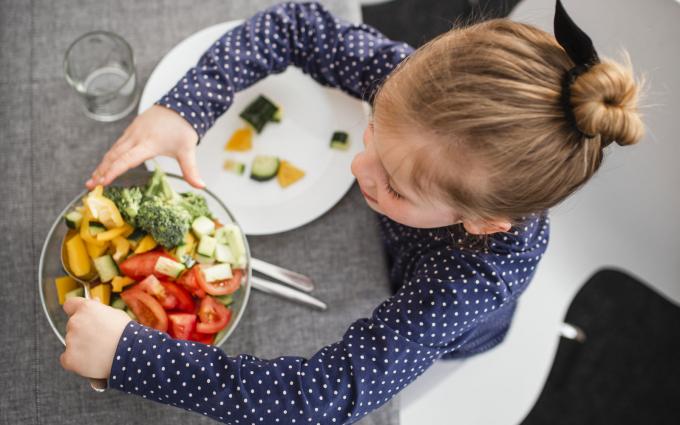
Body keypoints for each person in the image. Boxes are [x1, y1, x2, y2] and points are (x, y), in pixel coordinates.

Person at [62, 1, 643, 423]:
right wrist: (185, 109)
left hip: (446, 323)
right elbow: (295, 26)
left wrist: (134, 356)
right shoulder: (417, 94)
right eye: (372, 131)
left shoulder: (477, 278)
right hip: (393, 242)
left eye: (391, 181)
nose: (357, 169)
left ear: (483, 223)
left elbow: (323, 395)